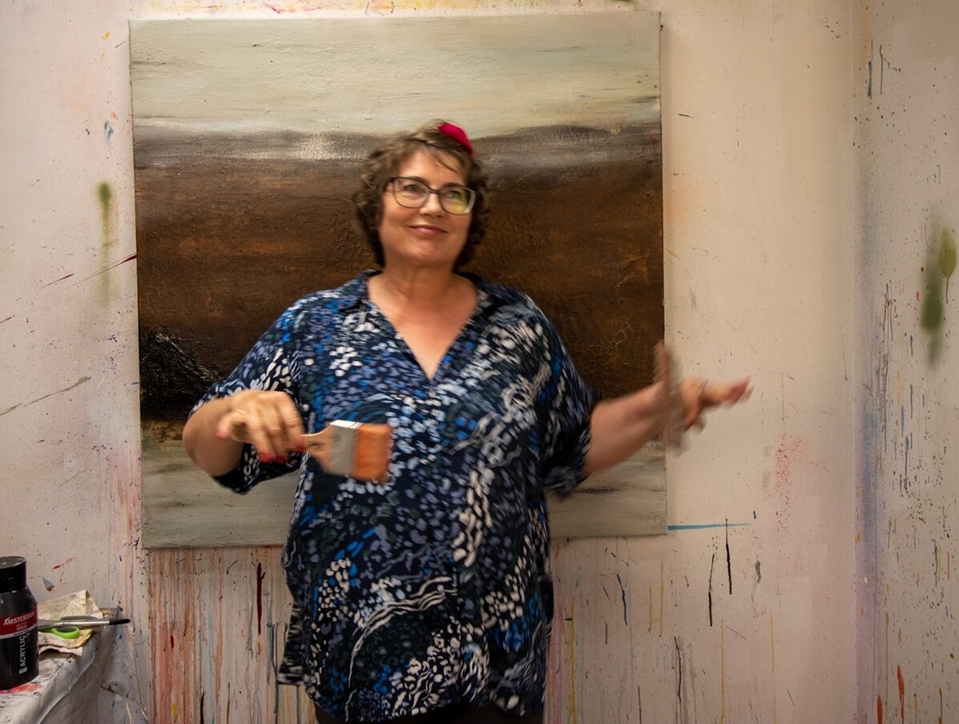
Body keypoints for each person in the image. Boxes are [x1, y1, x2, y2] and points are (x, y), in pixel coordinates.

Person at [182, 120, 750, 724]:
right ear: (377, 204)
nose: (433, 206)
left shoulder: (517, 324)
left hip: (494, 661)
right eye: (412, 188)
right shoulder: (317, 325)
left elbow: (573, 442)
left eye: (454, 194)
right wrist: (233, 411)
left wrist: (654, 407)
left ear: (469, 216)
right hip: (361, 661)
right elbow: (207, 450)